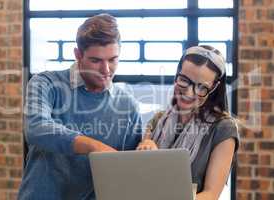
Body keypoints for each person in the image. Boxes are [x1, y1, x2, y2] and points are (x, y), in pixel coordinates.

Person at [18, 14, 142, 200]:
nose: (106, 70)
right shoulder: (45, 83)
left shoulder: (128, 105)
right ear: (78, 55)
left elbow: (130, 169)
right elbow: (36, 128)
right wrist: (94, 146)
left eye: (112, 59)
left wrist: (147, 144)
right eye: (96, 61)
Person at [137, 45, 239, 200]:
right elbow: (140, 178)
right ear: (177, 74)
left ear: (214, 88)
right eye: (184, 80)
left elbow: (211, 194)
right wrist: (146, 147)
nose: (189, 93)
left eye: (201, 87)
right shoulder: (158, 120)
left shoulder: (223, 128)